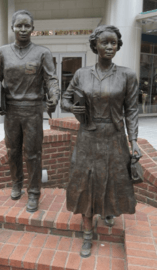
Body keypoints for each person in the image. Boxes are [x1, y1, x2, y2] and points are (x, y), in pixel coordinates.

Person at [61, 25, 142, 258]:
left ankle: (108, 211)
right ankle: (87, 233)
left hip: (115, 137)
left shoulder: (127, 74)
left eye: (113, 43)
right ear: (95, 45)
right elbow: (66, 99)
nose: (109, 47)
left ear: (118, 46)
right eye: (104, 42)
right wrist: (71, 106)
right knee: (86, 181)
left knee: (112, 178)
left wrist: (133, 139)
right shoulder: (81, 74)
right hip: (88, 135)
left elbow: (132, 110)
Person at [0, 10, 59, 212]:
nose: (23, 29)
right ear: (12, 28)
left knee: (33, 154)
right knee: (12, 151)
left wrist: (54, 95)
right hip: (11, 111)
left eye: (27, 25)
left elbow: (51, 79)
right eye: (19, 25)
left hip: (33, 111)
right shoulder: (3, 52)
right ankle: (16, 183)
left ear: (33, 29)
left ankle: (34, 193)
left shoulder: (42, 53)